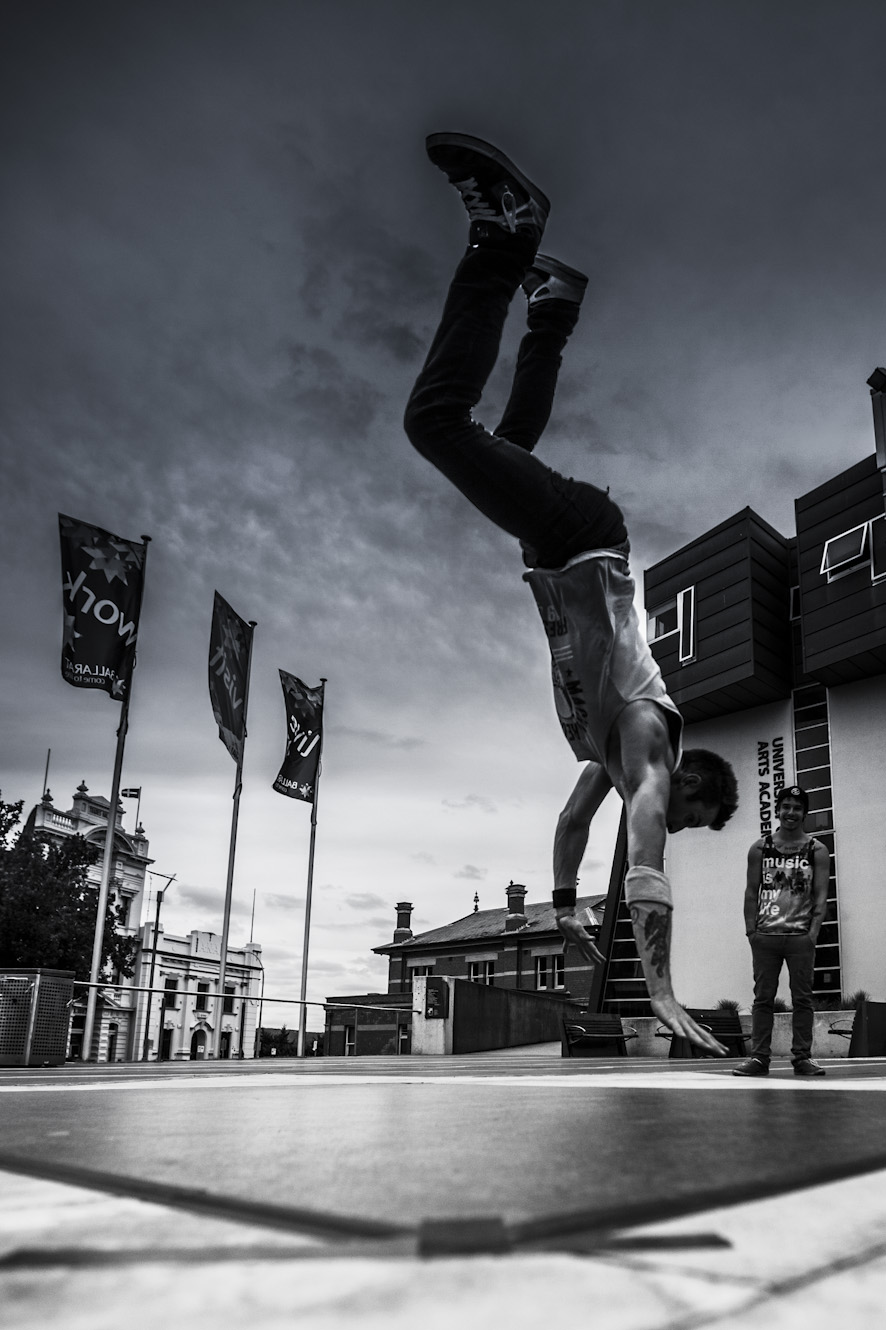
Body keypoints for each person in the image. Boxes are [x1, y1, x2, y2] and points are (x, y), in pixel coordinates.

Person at [404, 132, 738, 1055]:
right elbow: (639, 847)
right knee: (436, 422)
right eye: (694, 819)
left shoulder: (607, 757)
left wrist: (563, 909)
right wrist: (659, 984)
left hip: (558, 551)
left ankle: (553, 304)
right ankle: (507, 236)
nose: (677, 829)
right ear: (691, 786)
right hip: (583, 539)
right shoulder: (647, 746)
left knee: (506, 437)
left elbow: (570, 823)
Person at [734, 785, 829, 1076]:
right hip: (766, 936)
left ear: (805, 813)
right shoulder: (760, 848)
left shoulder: (817, 850)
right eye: (786, 806)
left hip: (800, 937)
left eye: (797, 808)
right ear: (778, 810)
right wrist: (752, 932)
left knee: (803, 999)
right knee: (763, 999)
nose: (791, 812)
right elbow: (751, 892)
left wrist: (812, 934)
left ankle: (803, 1058)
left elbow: (821, 897)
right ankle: (759, 1059)